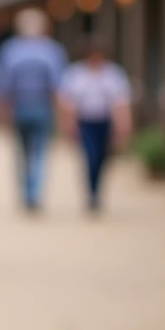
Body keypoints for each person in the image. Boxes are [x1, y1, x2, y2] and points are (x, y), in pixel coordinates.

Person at [0, 8, 68, 212]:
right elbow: (58, 88)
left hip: (20, 106)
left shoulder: (11, 50)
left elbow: (3, 87)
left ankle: (27, 192)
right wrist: (63, 117)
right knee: (40, 152)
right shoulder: (52, 50)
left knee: (22, 153)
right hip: (41, 107)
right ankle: (34, 193)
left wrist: (1, 114)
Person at [57, 36, 132, 212]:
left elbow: (120, 102)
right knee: (90, 156)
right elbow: (67, 102)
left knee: (102, 158)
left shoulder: (113, 74)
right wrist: (67, 124)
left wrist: (123, 124)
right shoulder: (76, 74)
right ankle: (91, 192)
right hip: (85, 122)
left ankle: (97, 189)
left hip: (104, 122)